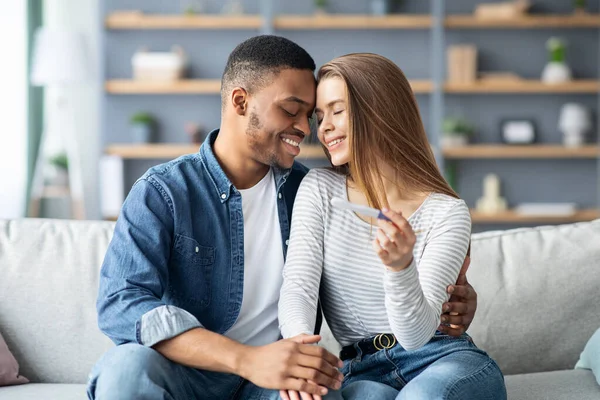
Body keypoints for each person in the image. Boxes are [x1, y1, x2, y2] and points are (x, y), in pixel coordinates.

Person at [87, 36, 478, 400]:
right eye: (293, 111)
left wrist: (447, 297)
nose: (308, 129)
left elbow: (350, 274)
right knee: (125, 368)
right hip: (191, 371)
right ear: (240, 102)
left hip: (278, 383)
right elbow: (121, 304)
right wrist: (246, 359)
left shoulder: (307, 190)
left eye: (311, 115)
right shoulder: (165, 192)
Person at [278, 53, 506, 400]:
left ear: (378, 110)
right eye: (320, 116)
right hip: (362, 368)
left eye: (337, 111)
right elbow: (299, 287)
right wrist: (298, 352)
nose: (322, 128)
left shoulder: (447, 212)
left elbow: (417, 336)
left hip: (441, 359)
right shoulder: (319, 190)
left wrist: (401, 268)